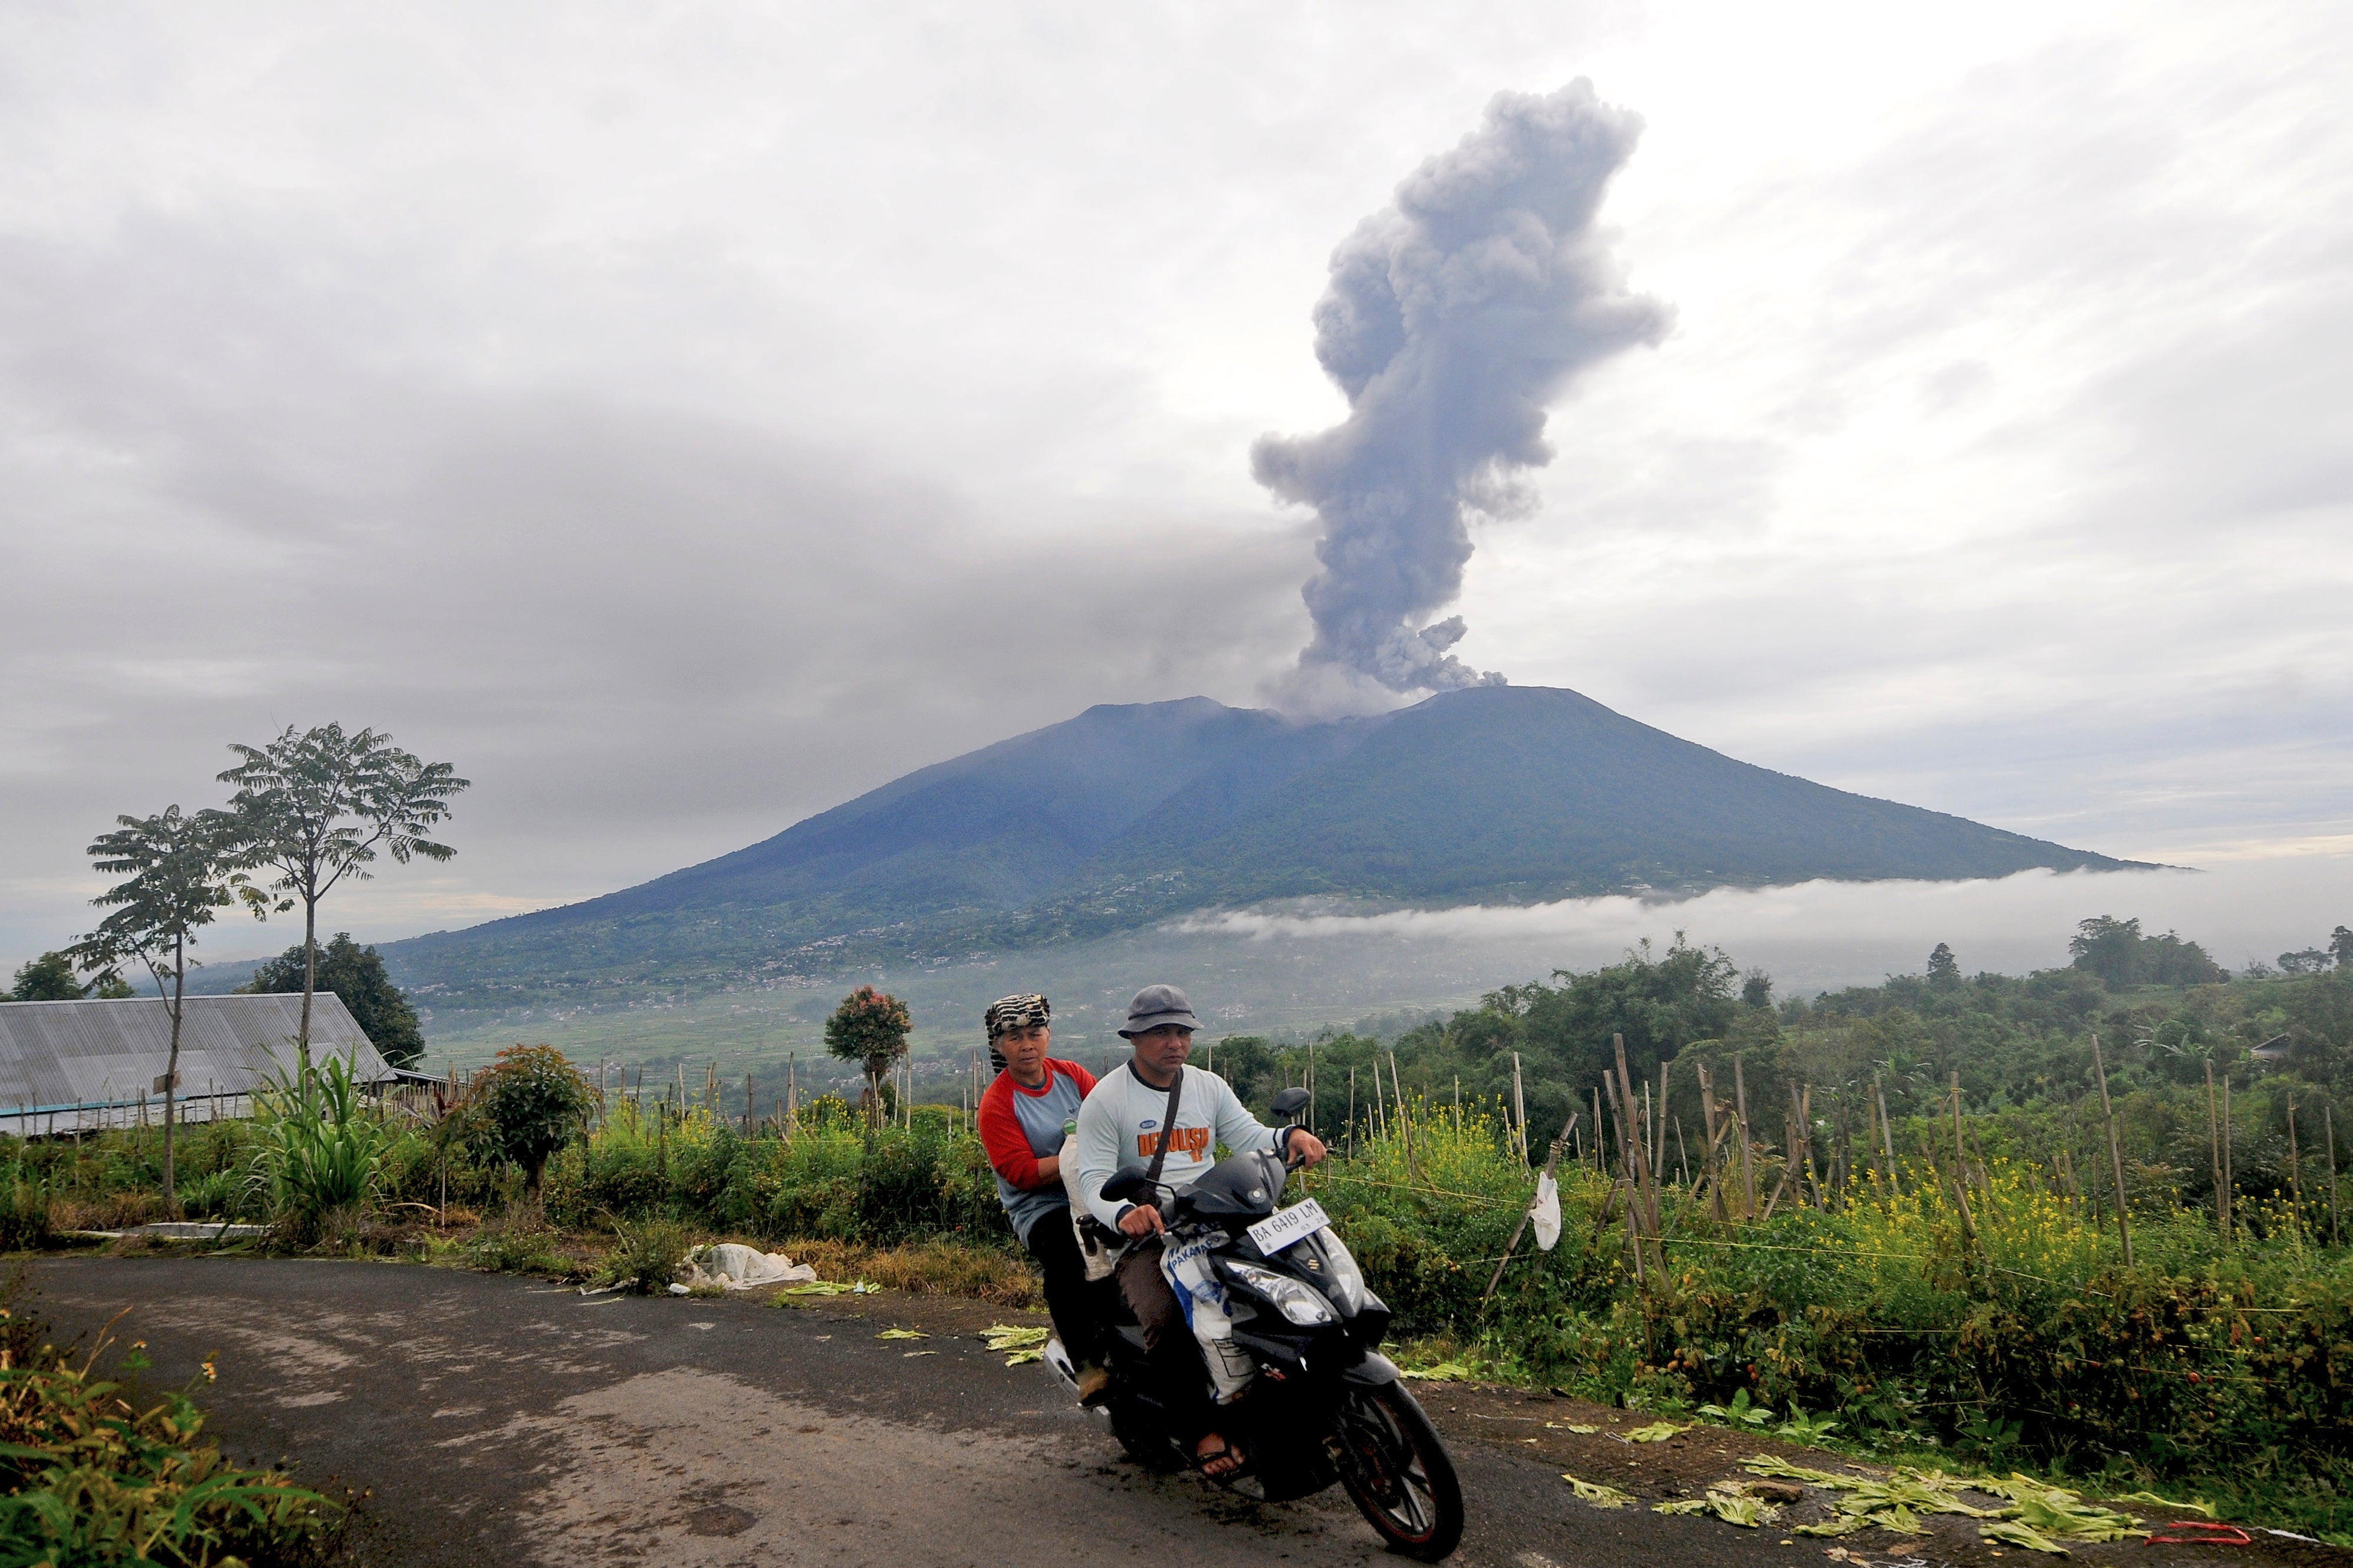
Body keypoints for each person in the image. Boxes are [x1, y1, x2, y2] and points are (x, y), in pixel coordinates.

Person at [1074, 983, 1327, 1479]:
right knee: (1167, 1318)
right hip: (1149, 1238)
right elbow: (1092, 1178)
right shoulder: (1106, 1101)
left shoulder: (1207, 1086)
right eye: (1161, 1032)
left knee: (1294, 1284)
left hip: (1218, 1220)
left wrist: (1288, 1136)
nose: (1175, 1043)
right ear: (1134, 1038)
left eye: (1183, 1032)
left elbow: (1249, 1134)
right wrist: (1125, 1212)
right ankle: (1199, 1429)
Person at [974, 993, 1112, 1403]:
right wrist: (1073, 1156)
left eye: (1035, 1033)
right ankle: (1085, 1361)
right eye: (1015, 1037)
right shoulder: (997, 1103)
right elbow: (1019, 1172)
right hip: (1043, 1206)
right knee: (1069, 1256)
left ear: (1049, 1035)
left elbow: (1110, 1118)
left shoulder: (1071, 1076)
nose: (1027, 1044)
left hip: (1092, 1188)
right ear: (1000, 1045)